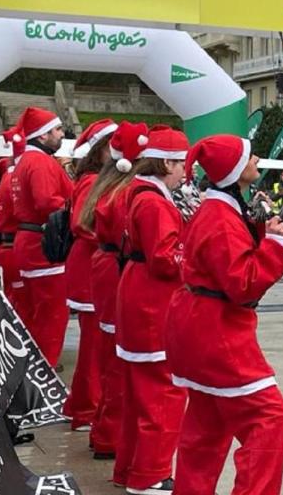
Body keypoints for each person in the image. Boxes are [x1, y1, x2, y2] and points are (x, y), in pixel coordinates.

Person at [167, 135, 283, 495]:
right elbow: (242, 283)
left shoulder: (216, 211)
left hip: (195, 325)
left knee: (205, 428)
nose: (256, 158)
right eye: (248, 155)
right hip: (218, 332)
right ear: (233, 170)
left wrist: (257, 230)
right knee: (270, 419)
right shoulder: (221, 218)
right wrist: (275, 245)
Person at [114, 127, 190, 495]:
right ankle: (151, 474)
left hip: (136, 293)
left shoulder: (137, 193)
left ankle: (131, 468)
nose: (184, 173)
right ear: (165, 163)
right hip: (151, 301)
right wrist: (197, 260)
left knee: (138, 394)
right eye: (180, 164)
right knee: (163, 391)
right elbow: (165, 258)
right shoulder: (154, 202)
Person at [81, 121, 149, 464]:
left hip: (105, 269)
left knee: (109, 358)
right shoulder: (126, 192)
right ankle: (109, 435)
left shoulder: (105, 186)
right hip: (116, 272)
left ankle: (103, 431)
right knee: (116, 364)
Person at [61, 119, 117, 433]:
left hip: (90, 266)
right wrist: (116, 237)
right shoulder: (91, 180)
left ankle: (81, 405)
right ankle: (85, 409)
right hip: (89, 270)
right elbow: (82, 223)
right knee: (94, 348)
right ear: (101, 148)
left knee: (94, 347)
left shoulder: (94, 178)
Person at [11, 107, 74, 368]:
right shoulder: (40, 163)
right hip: (43, 247)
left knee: (40, 314)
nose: (61, 135)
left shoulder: (26, 161)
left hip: (30, 242)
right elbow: (48, 201)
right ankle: (44, 370)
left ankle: (34, 369)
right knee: (53, 315)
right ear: (43, 135)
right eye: (57, 130)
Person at [0, 129, 27, 322]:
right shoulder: (15, 178)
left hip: (7, 246)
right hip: (15, 246)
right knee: (20, 305)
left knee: (13, 299)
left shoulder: (7, 178)